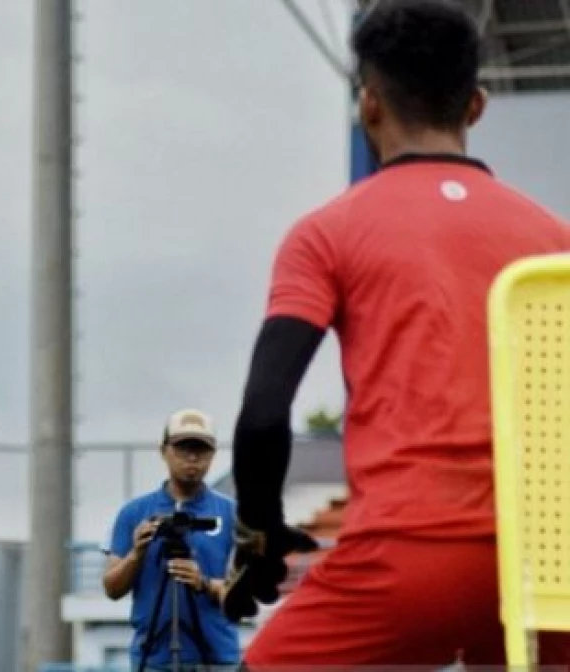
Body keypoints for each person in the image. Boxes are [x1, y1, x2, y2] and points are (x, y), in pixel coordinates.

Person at [221, 0, 570, 668]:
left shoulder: (327, 233)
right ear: (476, 105)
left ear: (369, 104)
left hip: (415, 556)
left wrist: (258, 530)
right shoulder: (557, 242)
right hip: (545, 562)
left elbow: (265, 412)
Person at [102, 409, 241, 671]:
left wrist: (205, 583)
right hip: (154, 657)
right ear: (163, 450)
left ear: (213, 455)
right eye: (182, 448)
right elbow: (111, 589)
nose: (192, 458)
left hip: (217, 657)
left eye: (201, 449)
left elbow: (249, 595)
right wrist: (137, 553)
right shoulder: (134, 513)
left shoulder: (231, 514)